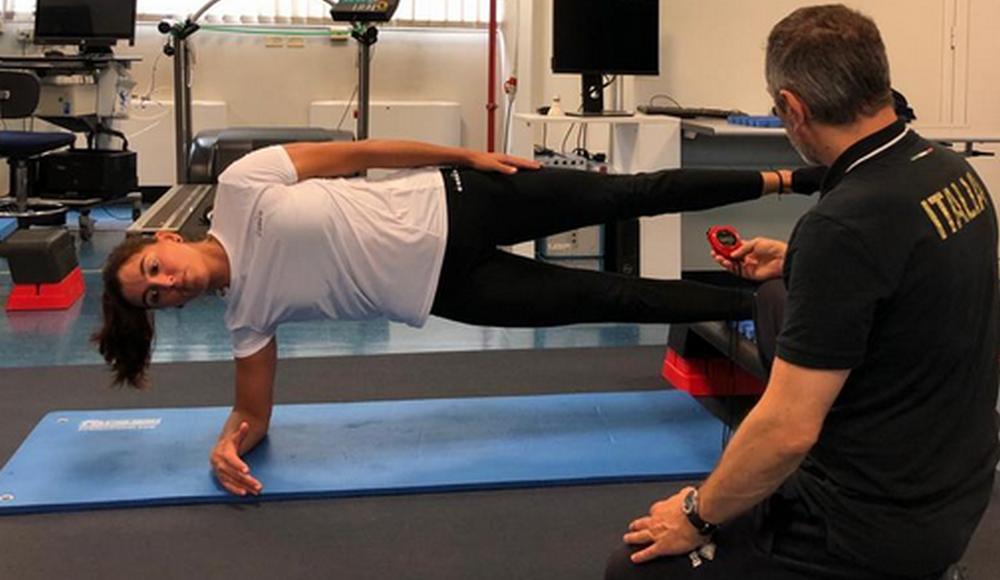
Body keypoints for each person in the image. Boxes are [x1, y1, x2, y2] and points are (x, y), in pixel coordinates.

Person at [92, 137, 820, 496]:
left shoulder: (241, 185)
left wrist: (465, 153)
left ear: (163, 241)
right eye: (155, 298)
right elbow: (256, 412)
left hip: (461, 197)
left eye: (154, 271)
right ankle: (768, 304)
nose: (167, 285)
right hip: (450, 288)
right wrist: (228, 443)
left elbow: (360, 150)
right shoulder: (247, 316)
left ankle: (789, 177)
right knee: (613, 300)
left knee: (631, 191)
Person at [606, 5, 999, 580]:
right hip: (960, 484)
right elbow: (917, 277)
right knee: (772, 299)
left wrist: (695, 515)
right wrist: (797, 264)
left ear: (792, 108)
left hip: (870, 529)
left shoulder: (844, 223)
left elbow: (789, 429)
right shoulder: (950, 172)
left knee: (634, 569)